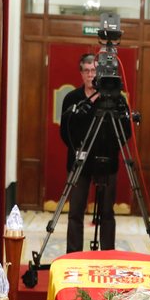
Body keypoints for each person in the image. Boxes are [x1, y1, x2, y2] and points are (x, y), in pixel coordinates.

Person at [60, 53, 130, 253]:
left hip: (108, 162)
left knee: (107, 213)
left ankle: (108, 254)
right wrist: (78, 149)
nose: (92, 75)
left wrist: (112, 147)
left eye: (95, 70)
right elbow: (65, 132)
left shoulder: (116, 99)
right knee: (75, 212)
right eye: (87, 70)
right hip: (80, 162)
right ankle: (73, 255)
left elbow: (125, 131)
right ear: (81, 73)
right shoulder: (72, 98)